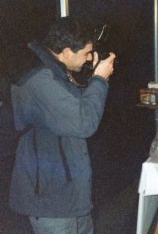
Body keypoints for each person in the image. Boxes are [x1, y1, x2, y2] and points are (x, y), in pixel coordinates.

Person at [9, 17, 116, 234]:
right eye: (86, 54)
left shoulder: (56, 72)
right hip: (51, 198)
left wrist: (92, 73)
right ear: (66, 52)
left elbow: (78, 105)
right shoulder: (40, 79)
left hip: (71, 194)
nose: (88, 59)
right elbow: (84, 123)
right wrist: (99, 79)